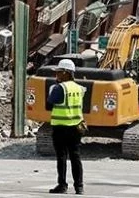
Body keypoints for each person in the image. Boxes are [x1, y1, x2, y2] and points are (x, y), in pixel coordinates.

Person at [46, 59, 85, 195]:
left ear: (65, 73)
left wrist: (53, 89)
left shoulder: (59, 88)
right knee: (76, 157)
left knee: (61, 157)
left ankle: (62, 185)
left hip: (61, 128)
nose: (56, 75)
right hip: (76, 128)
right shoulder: (79, 88)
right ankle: (79, 187)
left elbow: (49, 105)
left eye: (58, 72)